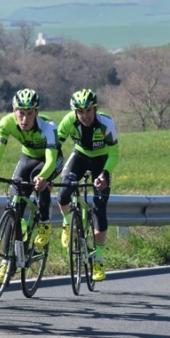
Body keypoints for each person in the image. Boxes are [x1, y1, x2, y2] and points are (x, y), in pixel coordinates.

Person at [0, 88, 62, 284]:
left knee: (38, 179)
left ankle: (44, 222)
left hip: (49, 160)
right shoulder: (7, 123)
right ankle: (4, 262)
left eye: (29, 113)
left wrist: (44, 177)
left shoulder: (48, 127)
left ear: (36, 112)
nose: (25, 119)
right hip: (27, 157)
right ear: (13, 111)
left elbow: (51, 159)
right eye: (21, 113)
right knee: (13, 204)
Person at [56, 89, 120, 282]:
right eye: (80, 112)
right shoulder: (68, 121)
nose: (84, 116)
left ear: (95, 109)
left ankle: (99, 260)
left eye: (88, 111)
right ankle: (68, 221)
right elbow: (54, 147)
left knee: (99, 208)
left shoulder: (106, 124)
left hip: (102, 161)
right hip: (80, 157)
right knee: (62, 195)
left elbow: (115, 154)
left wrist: (104, 174)